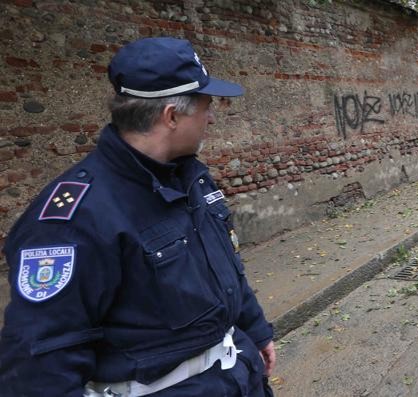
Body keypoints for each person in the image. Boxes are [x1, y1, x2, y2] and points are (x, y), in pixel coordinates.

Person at [0, 37, 276, 396]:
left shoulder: (189, 176)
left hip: (237, 374)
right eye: (206, 106)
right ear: (172, 116)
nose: (212, 117)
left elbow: (226, 268)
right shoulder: (74, 220)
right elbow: (38, 365)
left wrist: (256, 330)